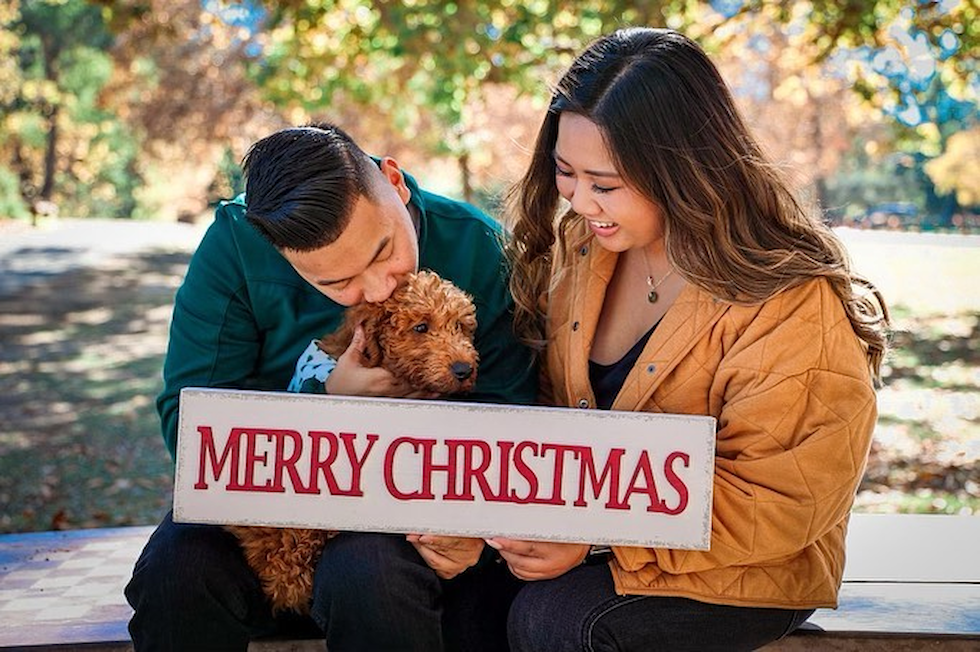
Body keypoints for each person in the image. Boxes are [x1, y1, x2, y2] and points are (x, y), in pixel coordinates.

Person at [496, 27, 890, 651]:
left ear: (681, 170)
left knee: (553, 619)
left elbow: (782, 500)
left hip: (743, 568)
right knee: (462, 601)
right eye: (566, 172)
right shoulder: (582, 248)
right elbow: (557, 418)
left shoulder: (788, 298)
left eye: (606, 183)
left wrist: (597, 534)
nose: (579, 200)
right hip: (595, 538)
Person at [125, 123, 536, 651]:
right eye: (337, 283)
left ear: (394, 181)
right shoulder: (233, 245)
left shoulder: (476, 244)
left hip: (400, 520)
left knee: (372, 578)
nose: (378, 288)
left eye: (384, 251)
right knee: (176, 567)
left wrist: (470, 527)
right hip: (263, 510)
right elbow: (190, 423)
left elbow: (511, 415)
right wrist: (330, 409)